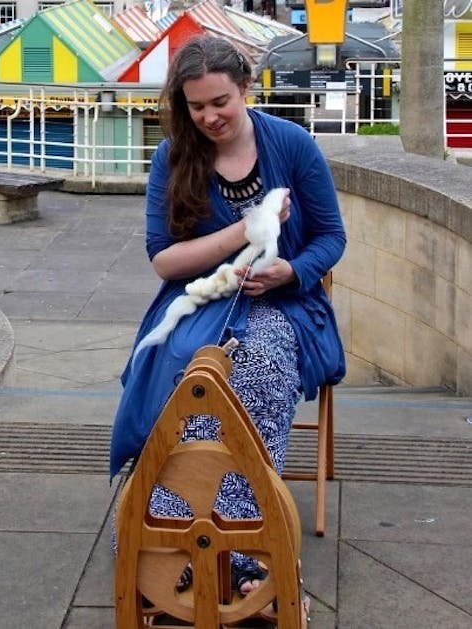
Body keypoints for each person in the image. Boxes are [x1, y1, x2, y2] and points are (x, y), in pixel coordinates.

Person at [110, 34, 346, 621]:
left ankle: (242, 544)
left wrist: (292, 268)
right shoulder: (173, 155)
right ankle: (169, 518)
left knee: (258, 368)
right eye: (196, 107)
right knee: (189, 372)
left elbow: (332, 238)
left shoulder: (291, 145)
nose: (210, 117)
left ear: (246, 87)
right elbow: (164, 259)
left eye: (221, 102)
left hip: (285, 302)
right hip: (200, 302)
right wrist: (242, 233)